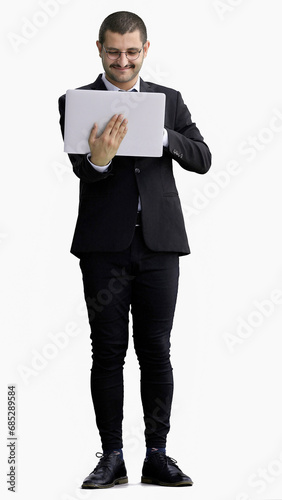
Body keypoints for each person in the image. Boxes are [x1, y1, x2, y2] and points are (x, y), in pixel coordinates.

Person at [58, 11, 211, 489]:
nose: (122, 61)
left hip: (160, 245)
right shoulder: (76, 102)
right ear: (99, 49)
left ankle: (157, 455)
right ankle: (113, 457)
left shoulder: (169, 101)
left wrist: (163, 136)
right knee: (107, 352)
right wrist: (98, 161)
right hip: (104, 248)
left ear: (145, 49)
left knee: (156, 351)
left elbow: (203, 158)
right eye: (113, 51)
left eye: (131, 51)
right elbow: (83, 169)